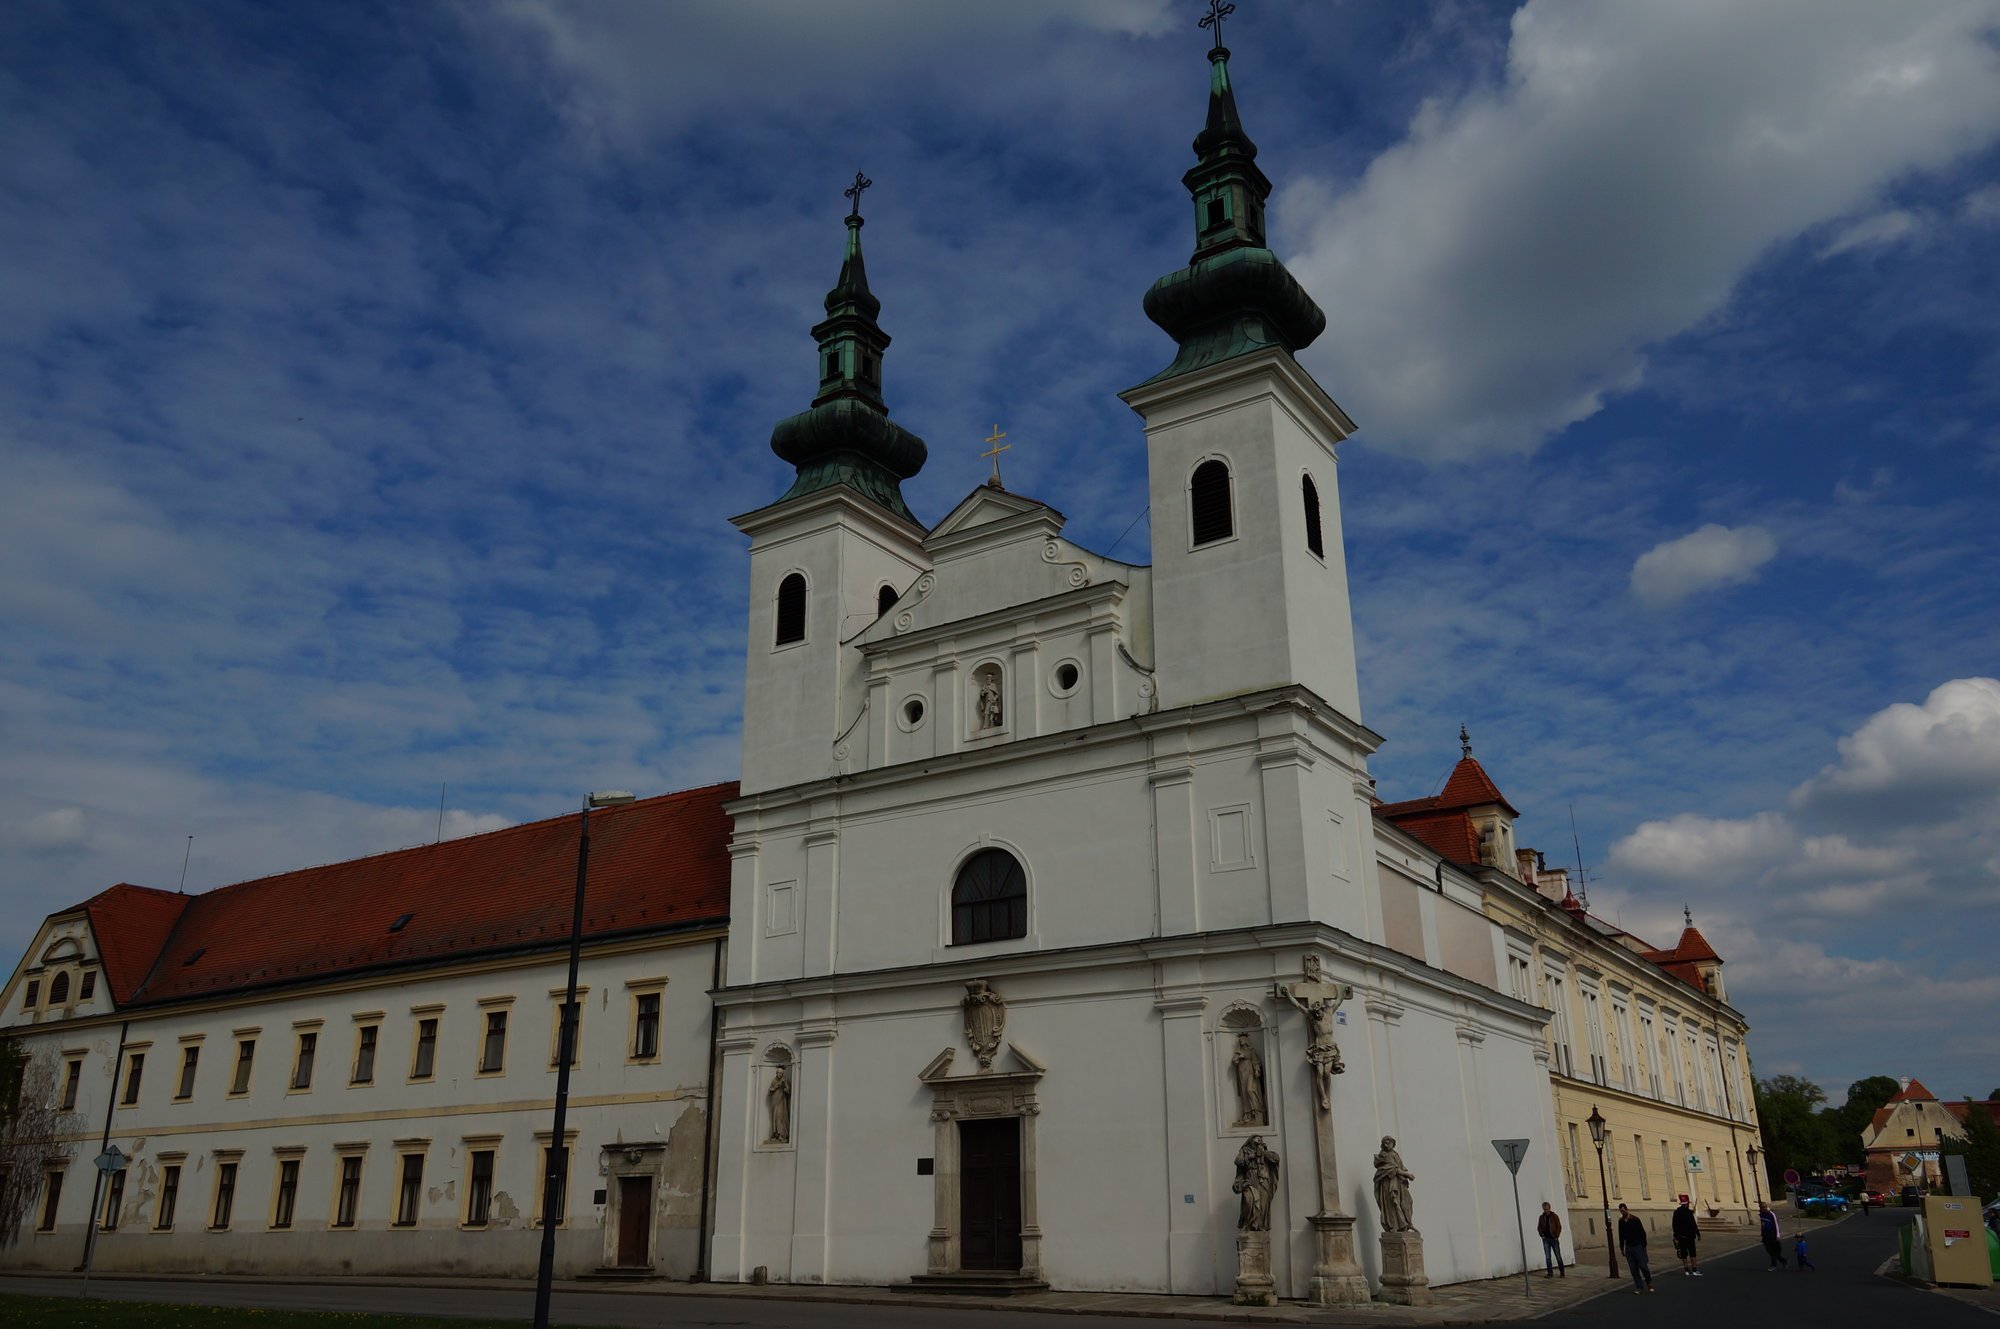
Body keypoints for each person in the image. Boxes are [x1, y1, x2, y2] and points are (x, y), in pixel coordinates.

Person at [1617, 1204, 1654, 1293]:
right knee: (1633, 1268)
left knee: (1643, 1266)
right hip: (1629, 1247)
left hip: (1638, 1245)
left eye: (1623, 1210)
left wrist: (1643, 1246)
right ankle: (1639, 1286)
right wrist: (1622, 1247)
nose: (1622, 1212)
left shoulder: (1635, 1219)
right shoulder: (1621, 1221)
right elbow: (1621, 1235)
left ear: (1627, 1209)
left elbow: (1642, 1233)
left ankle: (1649, 1282)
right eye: (1621, 1211)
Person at [1671, 1195, 1702, 1276]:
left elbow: (1674, 1224)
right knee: (1692, 1253)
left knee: (1684, 1253)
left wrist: (1675, 1235)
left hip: (1681, 1236)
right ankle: (1694, 1269)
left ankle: (1686, 1270)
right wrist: (1698, 1234)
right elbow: (1693, 1224)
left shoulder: (1677, 1212)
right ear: (1687, 1204)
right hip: (1689, 1236)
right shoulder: (1688, 1213)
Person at [1537, 1201, 1566, 1277]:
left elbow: (1559, 1226)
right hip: (1546, 1239)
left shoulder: (1554, 1216)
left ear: (1549, 1208)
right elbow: (1539, 1227)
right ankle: (1550, 1273)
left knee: (1558, 1256)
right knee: (1547, 1257)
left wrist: (1556, 1236)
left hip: (1554, 1239)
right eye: (1544, 1209)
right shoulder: (1541, 1217)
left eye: (1547, 1209)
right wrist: (1542, 1235)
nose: (1546, 1211)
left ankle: (1562, 1272)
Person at [1758, 1200, 1786, 1269]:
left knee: (1772, 1250)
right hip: (1765, 1235)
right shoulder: (1761, 1214)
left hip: (1772, 1233)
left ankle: (1774, 1265)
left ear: (1767, 1207)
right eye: (1762, 1207)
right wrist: (1762, 1233)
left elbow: (1776, 1225)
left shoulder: (1771, 1214)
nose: (1764, 1208)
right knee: (1768, 1250)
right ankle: (1783, 1261)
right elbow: (1763, 1225)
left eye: (1765, 1207)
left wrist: (1777, 1235)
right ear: (1760, 1208)